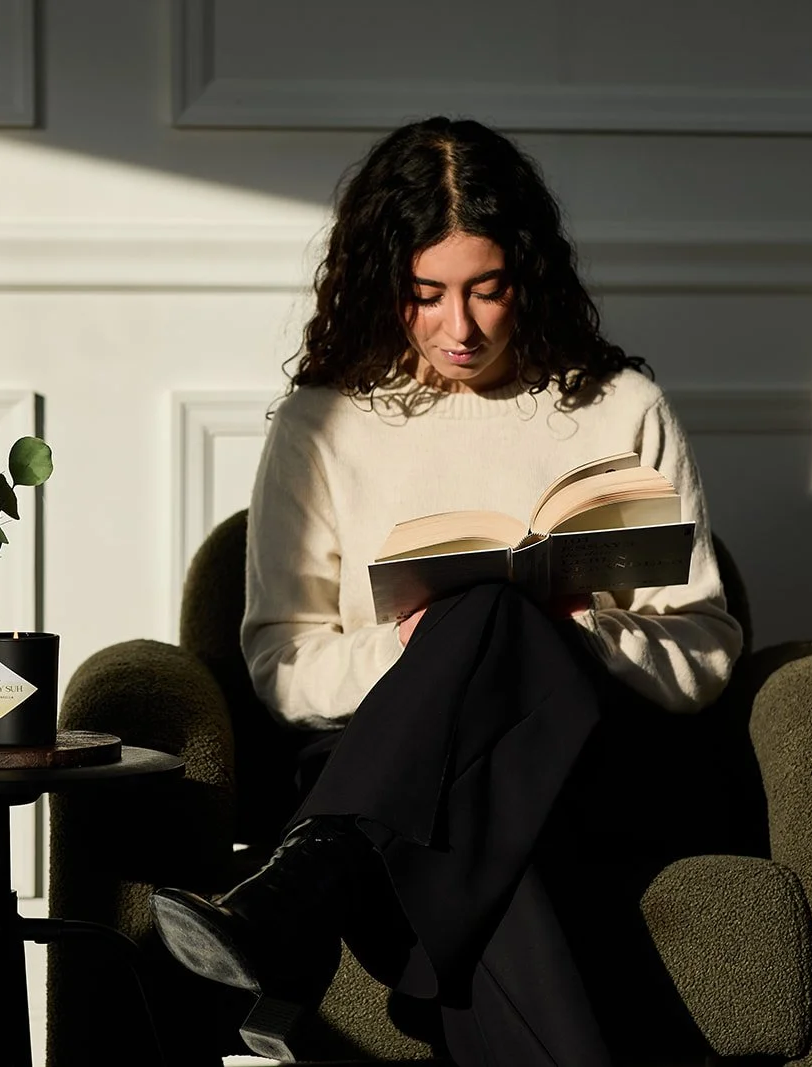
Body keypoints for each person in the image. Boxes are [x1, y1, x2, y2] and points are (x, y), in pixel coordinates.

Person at [151, 117, 757, 1066]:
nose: (459, 328)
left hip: (586, 757)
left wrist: (581, 634)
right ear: (381, 282)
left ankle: (313, 877)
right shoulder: (325, 423)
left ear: (530, 276)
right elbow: (281, 664)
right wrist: (413, 645)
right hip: (394, 760)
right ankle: (343, 861)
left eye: (488, 289)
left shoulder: (620, 406)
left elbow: (707, 645)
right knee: (480, 789)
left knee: (498, 616)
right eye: (425, 294)